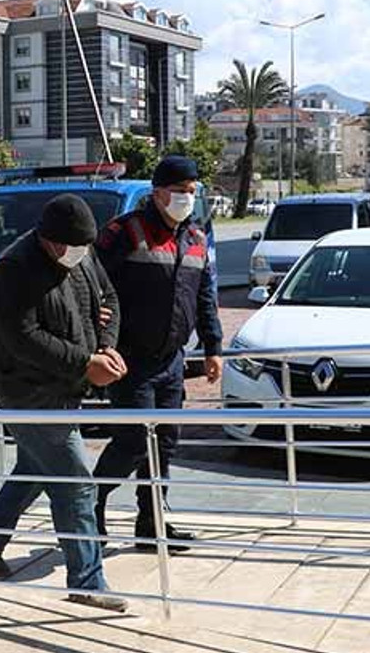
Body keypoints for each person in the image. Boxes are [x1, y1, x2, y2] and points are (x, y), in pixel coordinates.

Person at [0, 194, 129, 613]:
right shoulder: (14, 268)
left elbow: (108, 300)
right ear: (48, 239)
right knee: (76, 482)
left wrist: (105, 348)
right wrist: (85, 363)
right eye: (70, 247)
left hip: (66, 386)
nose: (78, 254)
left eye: (84, 247)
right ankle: (87, 580)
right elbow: (20, 337)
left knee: (36, 468)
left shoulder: (82, 250)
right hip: (26, 393)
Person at [91, 155, 224, 553]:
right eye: (179, 191)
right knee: (133, 440)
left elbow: (205, 298)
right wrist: (96, 328)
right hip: (129, 360)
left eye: (191, 191)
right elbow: (90, 279)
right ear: (157, 193)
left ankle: (152, 524)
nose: (186, 198)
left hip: (172, 362)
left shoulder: (196, 239)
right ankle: (91, 505)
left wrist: (213, 347)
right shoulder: (124, 232)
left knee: (164, 441)